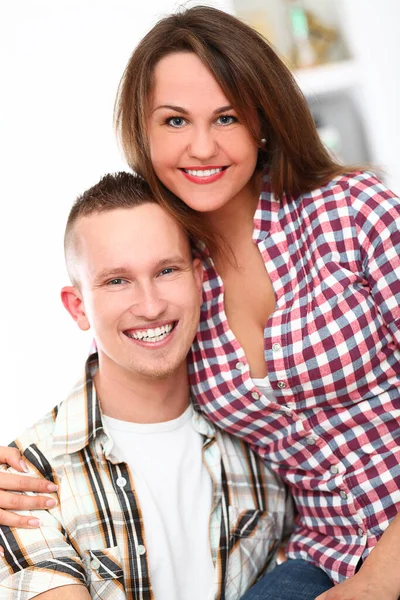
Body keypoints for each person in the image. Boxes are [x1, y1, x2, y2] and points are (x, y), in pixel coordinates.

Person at [0, 5, 399, 599]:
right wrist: (19, 465)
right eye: (176, 120)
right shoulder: (178, 276)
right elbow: (121, 378)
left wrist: (375, 584)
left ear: (262, 122)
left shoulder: (353, 210)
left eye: (227, 117)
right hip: (325, 550)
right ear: (143, 131)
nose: (202, 146)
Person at [0, 172, 289, 600]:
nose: (151, 306)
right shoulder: (25, 482)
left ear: (198, 279)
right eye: (117, 280)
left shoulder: (268, 437)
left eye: (166, 270)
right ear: (78, 306)